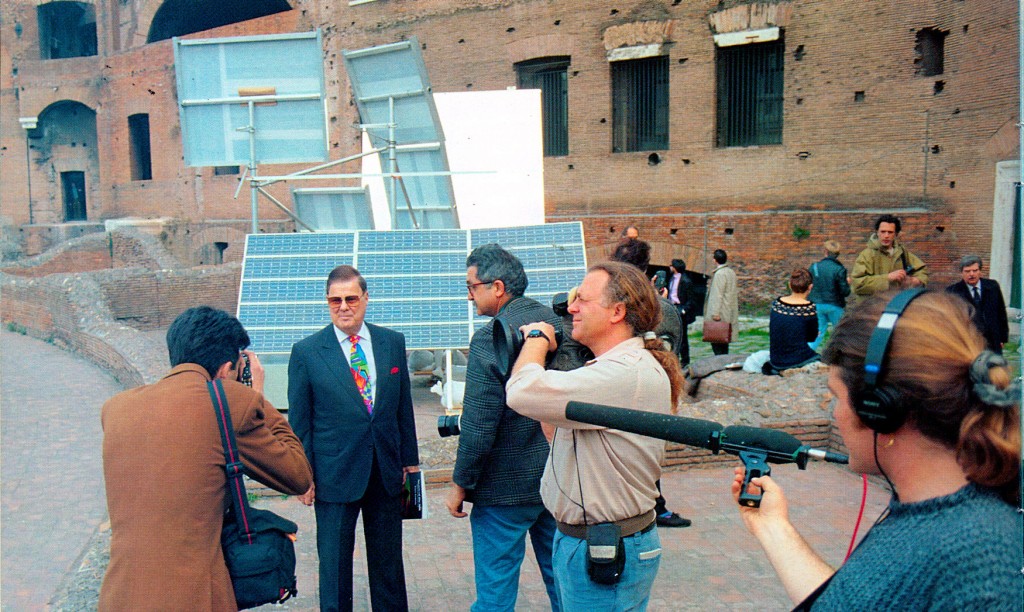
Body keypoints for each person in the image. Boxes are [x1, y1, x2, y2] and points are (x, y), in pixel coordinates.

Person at [732, 290, 1021, 609]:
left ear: (879, 410)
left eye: (837, 397)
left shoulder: (980, 562)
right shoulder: (928, 514)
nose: (835, 411)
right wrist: (773, 527)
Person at [100, 306, 312, 611]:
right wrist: (259, 397)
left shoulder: (117, 409)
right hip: (193, 597)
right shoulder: (229, 401)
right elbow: (297, 475)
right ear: (226, 370)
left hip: (120, 595)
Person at [505, 261, 686, 610]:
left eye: (583, 301)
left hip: (605, 546)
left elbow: (520, 392)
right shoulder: (612, 370)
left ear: (617, 311)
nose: (571, 308)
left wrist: (537, 340)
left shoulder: (622, 375)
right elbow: (556, 433)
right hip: (586, 540)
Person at [288, 265, 419, 612]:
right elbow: (300, 424)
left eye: (350, 298)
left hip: (386, 473)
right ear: (327, 303)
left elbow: (402, 407)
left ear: (365, 299)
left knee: (389, 566)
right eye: (335, 300)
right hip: (334, 476)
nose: (343, 307)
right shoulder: (307, 352)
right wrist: (303, 476)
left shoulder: (392, 342)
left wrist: (410, 463)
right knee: (333, 568)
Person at [445, 244, 561, 611]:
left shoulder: (489, 337)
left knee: (495, 596)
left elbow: (479, 424)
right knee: (566, 585)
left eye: (471, 286)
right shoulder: (562, 324)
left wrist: (460, 484)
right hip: (559, 481)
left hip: (502, 491)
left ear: (497, 287)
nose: (468, 295)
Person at [610, 238, 691, 528]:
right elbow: (671, 354)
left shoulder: (602, 305)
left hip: (607, 388)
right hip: (646, 390)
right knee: (645, 452)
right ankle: (651, 509)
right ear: (646, 268)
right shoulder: (660, 308)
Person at [850, 214, 928, 303]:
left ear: (896, 234)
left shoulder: (901, 252)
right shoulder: (867, 255)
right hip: (872, 308)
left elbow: (921, 269)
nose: (886, 236)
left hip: (895, 305)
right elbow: (857, 285)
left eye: (890, 232)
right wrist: (887, 278)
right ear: (877, 232)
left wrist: (915, 281)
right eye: (883, 232)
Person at [945, 255, 1009, 354]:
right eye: (967, 271)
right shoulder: (953, 291)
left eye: (975, 270)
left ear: (980, 271)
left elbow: (1001, 313)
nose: (972, 274)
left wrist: (1002, 338)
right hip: (968, 342)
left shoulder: (992, 287)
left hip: (992, 341)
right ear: (961, 273)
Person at [766, 268, 820, 373]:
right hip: (797, 358)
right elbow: (811, 338)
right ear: (810, 287)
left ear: (790, 285)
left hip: (775, 359)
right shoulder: (808, 308)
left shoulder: (777, 303)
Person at [807, 240, 850, 351]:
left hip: (816, 304)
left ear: (825, 251)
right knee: (840, 333)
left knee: (817, 333)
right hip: (834, 305)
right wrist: (847, 283)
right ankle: (839, 357)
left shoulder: (814, 267)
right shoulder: (840, 269)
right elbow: (845, 292)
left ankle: (806, 354)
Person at [704, 249, 739, 355]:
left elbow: (717, 294)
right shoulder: (730, 272)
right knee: (724, 340)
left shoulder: (720, 274)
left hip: (720, 312)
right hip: (728, 311)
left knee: (717, 341)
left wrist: (715, 313)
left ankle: (719, 364)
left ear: (715, 260)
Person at [666, 258, 699, 367]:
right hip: (673, 306)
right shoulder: (671, 278)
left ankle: (685, 360)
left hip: (681, 308)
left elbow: (691, 299)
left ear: (675, 267)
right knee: (672, 334)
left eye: (671, 265)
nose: (669, 267)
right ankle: (675, 357)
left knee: (683, 336)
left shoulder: (686, 281)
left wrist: (684, 310)